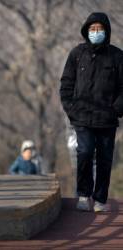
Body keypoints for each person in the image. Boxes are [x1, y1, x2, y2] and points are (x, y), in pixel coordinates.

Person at [59, 12, 123, 212]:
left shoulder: (117, 56)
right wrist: (71, 109)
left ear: (106, 31)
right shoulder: (77, 54)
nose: (96, 32)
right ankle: (84, 194)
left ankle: (100, 198)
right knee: (85, 152)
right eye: (92, 29)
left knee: (105, 158)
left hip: (107, 119)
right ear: (87, 30)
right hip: (82, 117)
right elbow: (66, 85)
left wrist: (115, 110)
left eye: (100, 28)